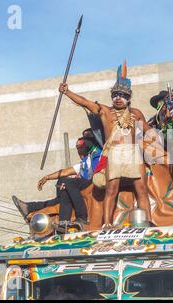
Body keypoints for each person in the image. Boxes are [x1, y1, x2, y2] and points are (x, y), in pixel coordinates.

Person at [59, 61, 152, 229]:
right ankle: (107, 224)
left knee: (141, 189)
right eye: (115, 94)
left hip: (133, 153)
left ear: (129, 98)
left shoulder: (136, 113)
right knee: (111, 189)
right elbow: (85, 102)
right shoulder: (105, 112)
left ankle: (148, 222)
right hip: (114, 153)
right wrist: (67, 92)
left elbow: (150, 132)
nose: (118, 98)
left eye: (122, 95)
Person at [12, 130, 101, 228]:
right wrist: (47, 177)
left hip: (92, 183)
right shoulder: (86, 160)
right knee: (62, 183)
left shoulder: (97, 154)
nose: (79, 151)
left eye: (81, 148)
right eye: (77, 148)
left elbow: (96, 172)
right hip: (80, 185)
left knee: (67, 183)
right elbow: (66, 171)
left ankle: (82, 216)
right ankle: (32, 207)